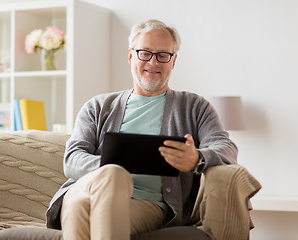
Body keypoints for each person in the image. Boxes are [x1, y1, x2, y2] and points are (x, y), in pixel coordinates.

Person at [46, 19, 238, 239]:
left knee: (83, 209)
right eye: (145, 53)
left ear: (173, 61)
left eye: (163, 55)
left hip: (147, 205)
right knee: (109, 177)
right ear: (130, 56)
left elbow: (227, 148)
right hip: (85, 191)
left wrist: (196, 158)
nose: (153, 62)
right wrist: (112, 168)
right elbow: (72, 159)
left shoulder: (195, 107)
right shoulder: (98, 106)